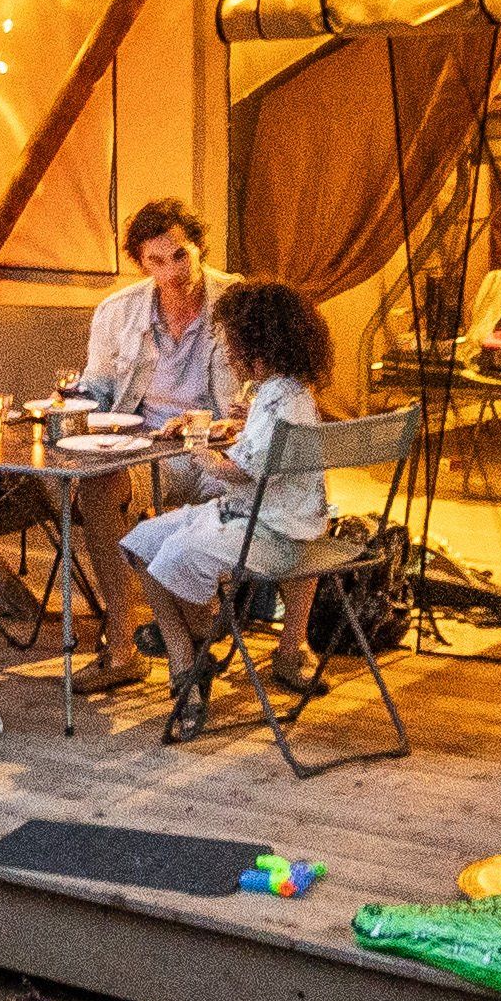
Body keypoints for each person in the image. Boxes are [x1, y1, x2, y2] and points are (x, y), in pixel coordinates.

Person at [120, 277, 340, 693]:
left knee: (165, 553)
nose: (229, 356)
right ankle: (192, 643)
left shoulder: (279, 399)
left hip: (268, 532)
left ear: (258, 349)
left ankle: (189, 653)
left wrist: (199, 449)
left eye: (233, 346)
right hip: (275, 522)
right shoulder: (287, 393)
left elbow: (239, 471)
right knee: (140, 542)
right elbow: (267, 445)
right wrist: (240, 424)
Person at [77, 199, 233, 422]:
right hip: (143, 444)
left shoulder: (239, 303)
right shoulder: (116, 311)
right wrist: (70, 404)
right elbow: (96, 390)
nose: (172, 272)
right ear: (142, 263)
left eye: (180, 256)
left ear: (199, 248)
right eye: (157, 261)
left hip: (216, 442)